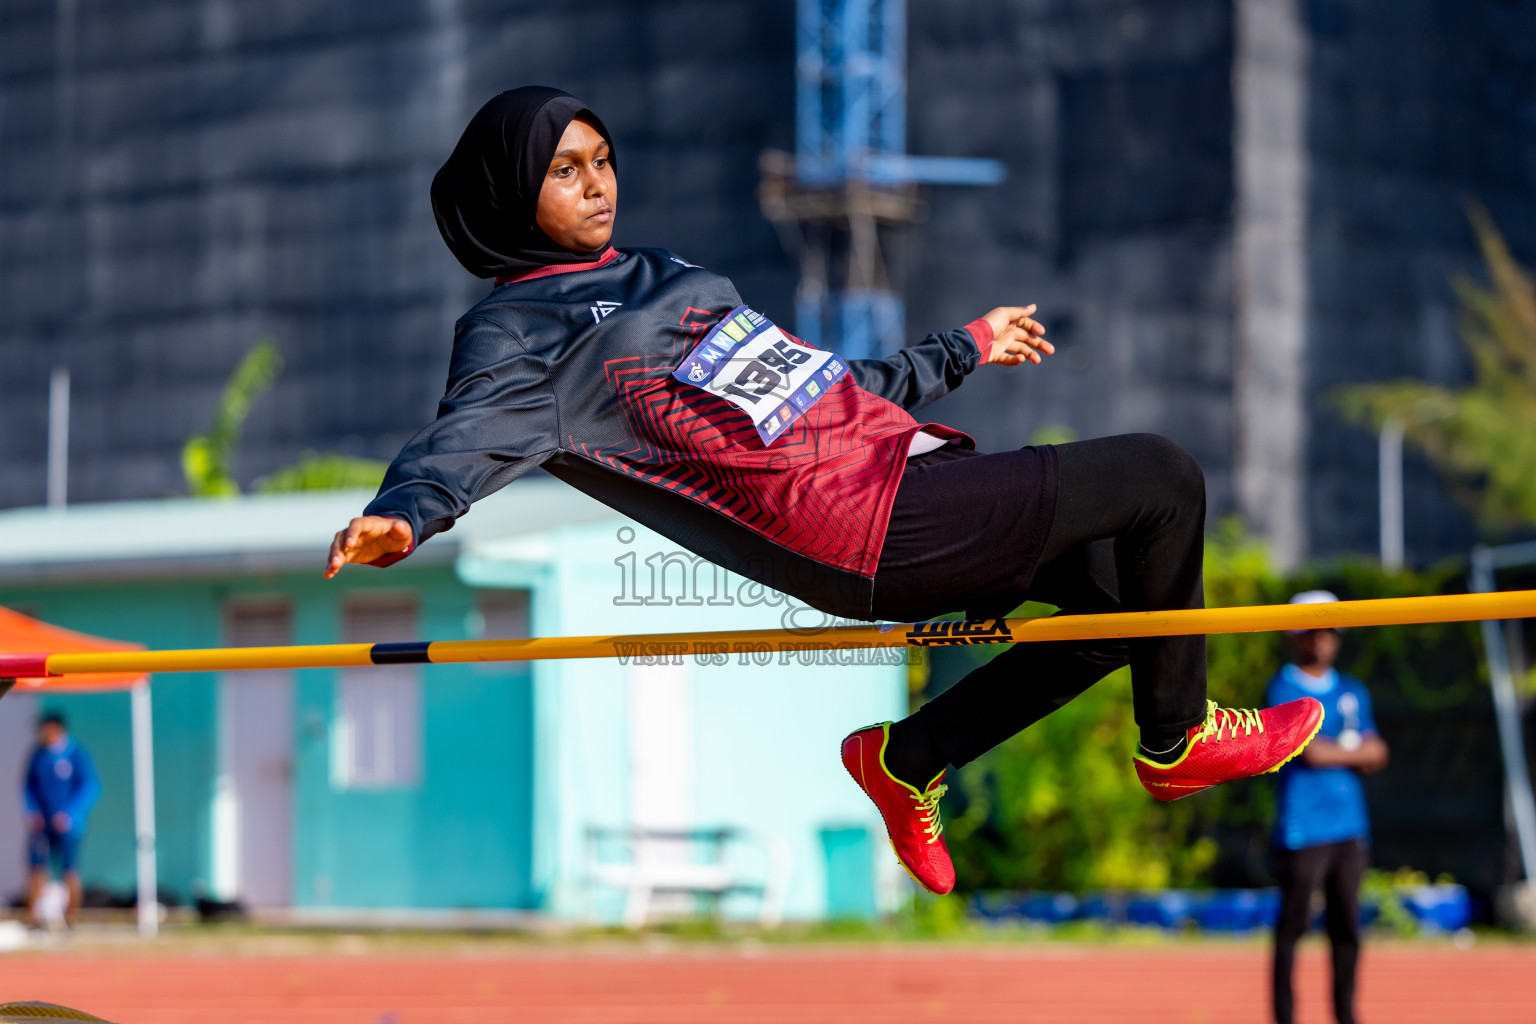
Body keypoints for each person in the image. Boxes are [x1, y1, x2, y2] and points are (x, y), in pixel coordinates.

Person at [323, 86, 1325, 894]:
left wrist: (962, 347)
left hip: (907, 463)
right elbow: (460, 436)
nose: (597, 185)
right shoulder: (521, 334)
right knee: (1160, 475)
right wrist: (403, 513)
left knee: (1119, 610)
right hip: (861, 527)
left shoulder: (666, 274)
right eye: (564, 170)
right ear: (508, 193)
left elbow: (816, 388)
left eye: (603, 160)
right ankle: (1177, 737)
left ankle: (908, 757)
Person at [1266, 591, 1389, 1024]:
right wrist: (1351, 750)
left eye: (1329, 631)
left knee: (1347, 928)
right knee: (1293, 927)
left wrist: (1336, 749)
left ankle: (1346, 1014)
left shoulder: (1353, 689)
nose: (1321, 640)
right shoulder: (1282, 686)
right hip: (1303, 826)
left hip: (1350, 827)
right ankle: (1284, 1016)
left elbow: (1378, 751)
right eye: (1313, 631)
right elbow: (1310, 753)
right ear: (1295, 636)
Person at [23, 712, 100, 929]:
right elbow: (29, 787)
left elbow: (89, 787)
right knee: (37, 869)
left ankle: (71, 919)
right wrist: (32, 811)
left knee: (70, 870)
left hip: (69, 826)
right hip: (43, 825)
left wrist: (70, 813)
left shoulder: (76, 754)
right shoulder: (38, 754)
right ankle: (34, 920)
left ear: (58, 729)